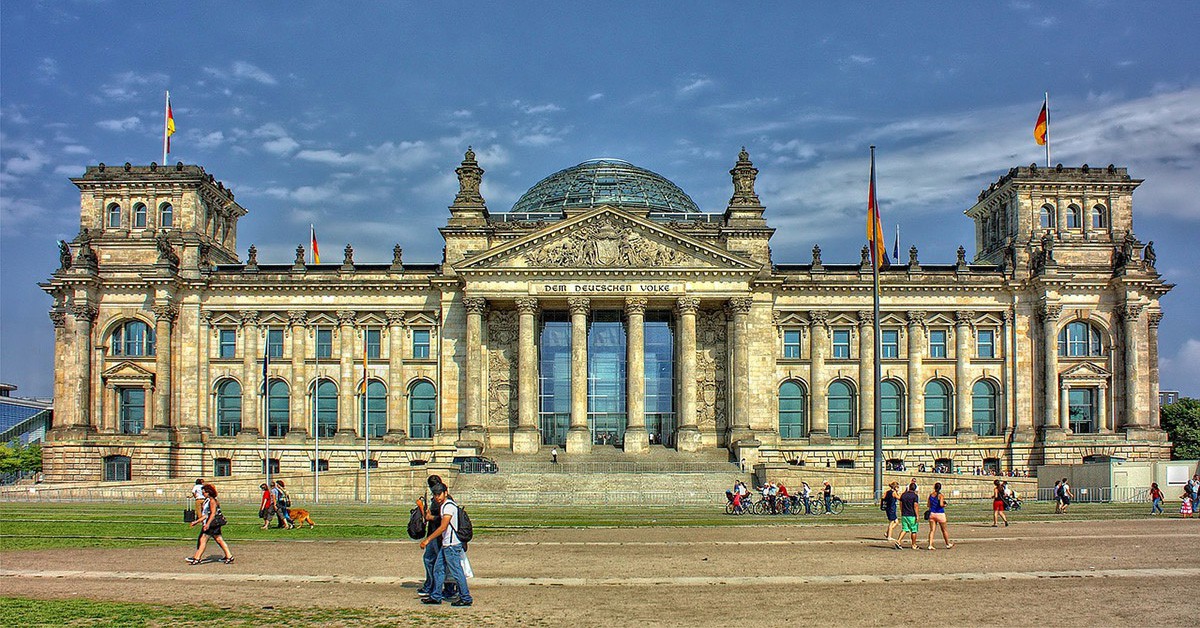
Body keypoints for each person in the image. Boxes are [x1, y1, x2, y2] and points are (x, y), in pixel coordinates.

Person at [420, 483, 473, 606]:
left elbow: (443, 526)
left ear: (445, 493)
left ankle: (465, 598)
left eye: (439, 494)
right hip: (447, 544)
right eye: (435, 495)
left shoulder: (448, 506)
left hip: (452, 545)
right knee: (438, 569)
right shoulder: (445, 505)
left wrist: (427, 540)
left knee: (456, 572)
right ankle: (436, 596)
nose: (437, 497)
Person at [417, 474, 459, 600]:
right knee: (437, 562)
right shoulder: (437, 499)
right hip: (436, 533)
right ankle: (438, 588)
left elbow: (445, 519)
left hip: (439, 535)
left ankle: (437, 587)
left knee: (433, 561)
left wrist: (430, 518)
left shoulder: (446, 501)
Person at [187, 483, 233, 564]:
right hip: (213, 523)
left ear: (208, 492)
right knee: (219, 539)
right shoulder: (207, 500)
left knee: (203, 539)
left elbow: (212, 514)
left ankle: (197, 558)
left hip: (213, 523)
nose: (203, 493)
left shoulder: (212, 501)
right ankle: (229, 556)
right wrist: (196, 521)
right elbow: (206, 514)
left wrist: (207, 524)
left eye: (204, 492)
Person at [926, 482, 953, 550]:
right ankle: (947, 543)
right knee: (944, 530)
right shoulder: (940, 495)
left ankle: (930, 544)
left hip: (932, 513)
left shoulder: (931, 495)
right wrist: (945, 505)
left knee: (932, 530)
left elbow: (928, 505)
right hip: (940, 513)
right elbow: (941, 504)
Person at [897, 482, 920, 550]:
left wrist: (902, 511)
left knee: (905, 529)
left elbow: (900, 503)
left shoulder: (903, 495)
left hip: (904, 514)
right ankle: (913, 544)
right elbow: (915, 506)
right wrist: (917, 515)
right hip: (912, 515)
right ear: (915, 489)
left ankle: (898, 541)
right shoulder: (915, 496)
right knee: (914, 530)